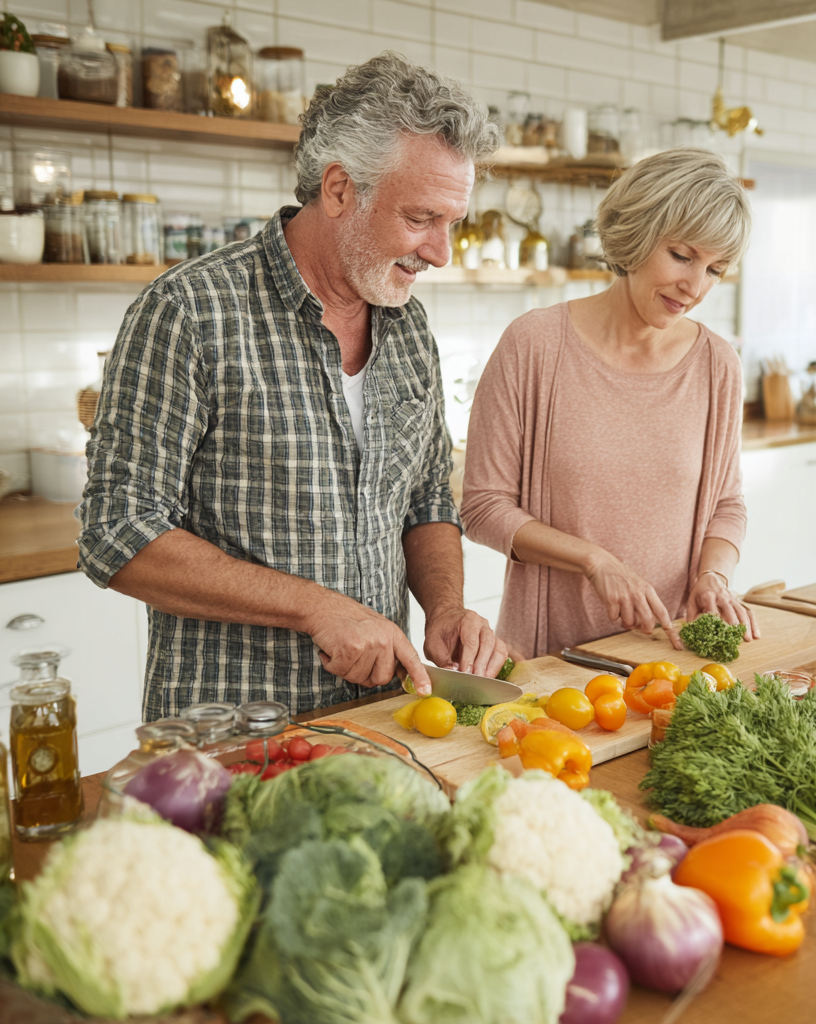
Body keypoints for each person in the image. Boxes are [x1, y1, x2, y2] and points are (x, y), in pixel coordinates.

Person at [78, 53, 508, 721]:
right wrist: (318, 608)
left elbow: (424, 500)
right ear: (338, 189)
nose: (440, 252)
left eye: (453, 224)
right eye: (421, 218)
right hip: (232, 728)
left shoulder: (409, 324)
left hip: (382, 718)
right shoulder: (189, 312)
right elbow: (117, 533)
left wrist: (446, 606)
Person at [460, 148, 760, 660]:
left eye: (715, 269)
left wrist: (714, 575)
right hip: (553, 659)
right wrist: (596, 562)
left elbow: (726, 506)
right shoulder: (536, 345)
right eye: (682, 256)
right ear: (636, 235)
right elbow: (483, 508)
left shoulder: (717, 364)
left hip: (669, 657)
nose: (695, 287)